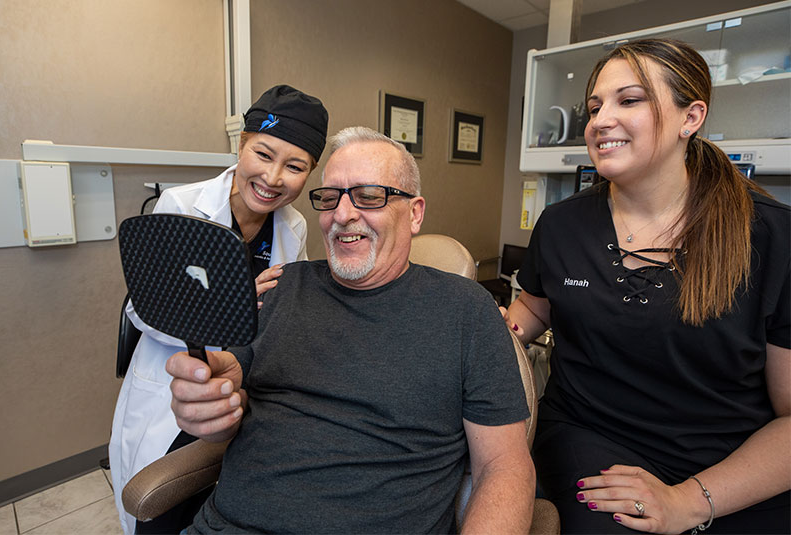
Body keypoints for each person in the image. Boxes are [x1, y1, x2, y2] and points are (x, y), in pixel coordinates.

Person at [166, 126, 536, 533]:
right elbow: (228, 395)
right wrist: (211, 403)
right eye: (329, 198)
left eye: (369, 195)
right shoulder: (283, 286)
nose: (342, 215)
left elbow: (504, 467)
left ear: (414, 213)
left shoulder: (466, 310)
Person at [501, 38, 790, 533]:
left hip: (731, 463)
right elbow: (532, 312)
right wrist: (466, 334)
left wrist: (690, 501)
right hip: (590, 436)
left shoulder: (769, 235)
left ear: (690, 117)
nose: (599, 120)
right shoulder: (562, 224)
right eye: (594, 107)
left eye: (628, 100)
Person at [110, 84, 329, 534]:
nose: (273, 178)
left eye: (294, 166)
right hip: (180, 380)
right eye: (264, 155)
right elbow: (143, 310)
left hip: (248, 379)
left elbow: (287, 304)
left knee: (230, 497)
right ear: (242, 145)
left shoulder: (294, 225)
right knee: (163, 513)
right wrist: (234, 301)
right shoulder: (181, 206)